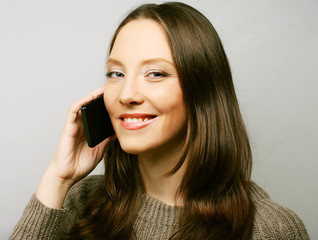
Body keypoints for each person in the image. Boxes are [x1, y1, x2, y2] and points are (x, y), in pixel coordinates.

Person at [10, 2, 309, 240]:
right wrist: (58, 179)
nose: (127, 94)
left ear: (202, 91)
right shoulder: (80, 203)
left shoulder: (269, 229)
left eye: (156, 74)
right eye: (117, 73)